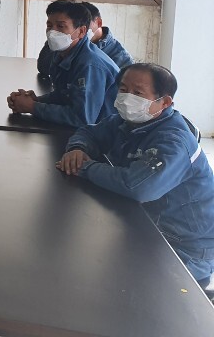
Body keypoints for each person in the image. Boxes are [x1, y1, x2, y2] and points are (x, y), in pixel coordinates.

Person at [57, 63, 214, 287]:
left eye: (138, 93)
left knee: (107, 283)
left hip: (182, 247)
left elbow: (139, 187)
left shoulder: (174, 141)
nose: (126, 98)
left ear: (165, 102)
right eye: (123, 89)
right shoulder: (129, 121)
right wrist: (77, 149)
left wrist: (86, 167)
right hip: (145, 225)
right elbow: (89, 132)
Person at [9, 0, 118, 128]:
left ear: (81, 31)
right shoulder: (62, 53)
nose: (52, 32)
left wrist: (32, 107)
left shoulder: (90, 65)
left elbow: (82, 118)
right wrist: (36, 100)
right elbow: (65, 95)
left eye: (61, 26)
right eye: (49, 25)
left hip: (107, 133)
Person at [37, 1, 133, 77]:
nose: (83, 28)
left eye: (86, 24)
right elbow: (44, 68)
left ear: (98, 23)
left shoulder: (120, 56)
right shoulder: (65, 40)